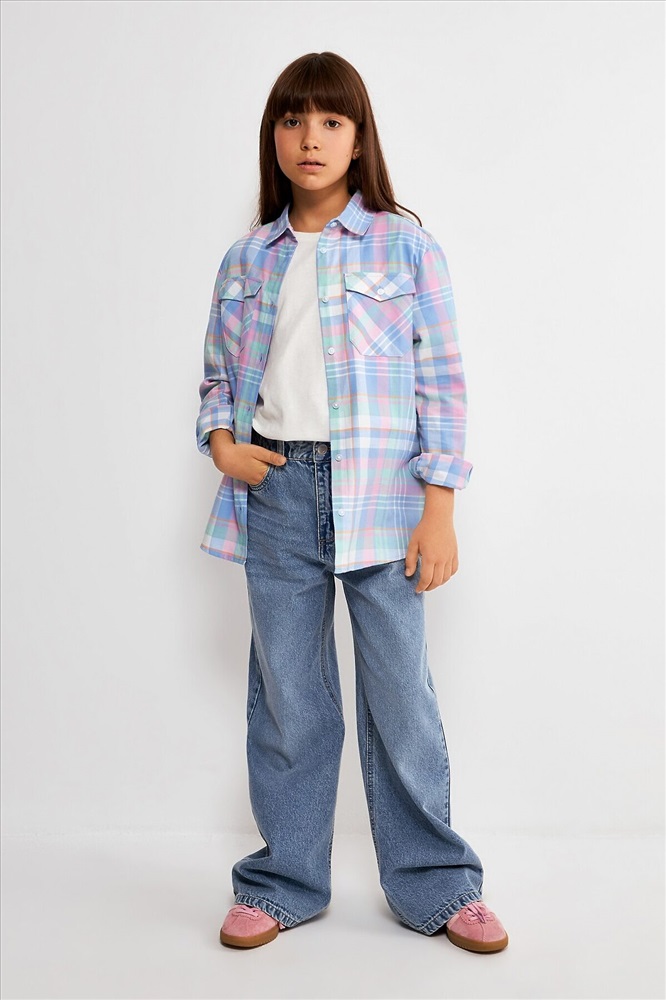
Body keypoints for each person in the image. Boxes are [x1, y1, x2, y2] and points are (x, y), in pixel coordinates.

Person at [195, 51, 509, 954]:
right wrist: (222, 443)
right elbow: (216, 377)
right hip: (276, 493)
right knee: (289, 697)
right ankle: (285, 880)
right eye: (294, 120)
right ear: (274, 138)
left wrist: (440, 507)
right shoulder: (247, 257)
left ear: (360, 138)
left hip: (384, 493)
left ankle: (438, 883)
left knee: (401, 695)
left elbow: (442, 381)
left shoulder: (405, 246)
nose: (312, 138)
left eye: (332, 121)